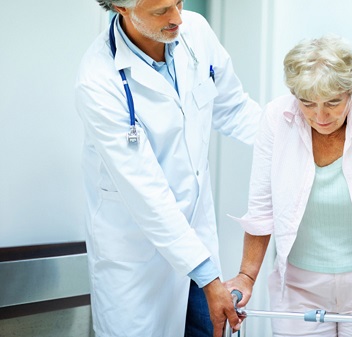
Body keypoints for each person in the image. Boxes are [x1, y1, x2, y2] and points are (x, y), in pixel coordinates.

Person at [75, 1, 262, 336]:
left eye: (178, 2)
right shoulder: (98, 80)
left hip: (197, 238)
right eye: (161, 10)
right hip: (137, 261)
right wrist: (207, 276)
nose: (177, 18)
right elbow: (147, 194)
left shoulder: (196, 31)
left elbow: (234, 109)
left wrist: (307, 131)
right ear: (121, 7)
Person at [224, 35, 352, 336]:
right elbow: (261, 207)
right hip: (298, 286)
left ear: (351, 90)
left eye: (333, 102)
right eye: (308, 103)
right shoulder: (276, 117)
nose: (320, 116)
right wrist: (246, 276)